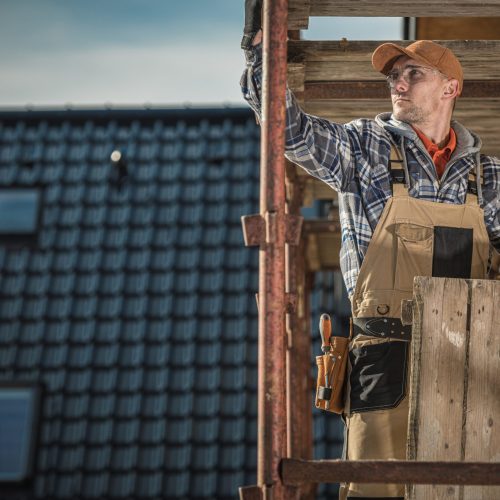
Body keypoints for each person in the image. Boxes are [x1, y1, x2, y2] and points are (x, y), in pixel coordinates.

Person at [240, 2, 500, 499]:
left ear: (451, 88)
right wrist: (259, 54)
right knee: (378, 491)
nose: (397, 84)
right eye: (393, 77)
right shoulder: (364, 147)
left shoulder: (489, 178)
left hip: (473, 361)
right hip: (384, 359)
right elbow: (287, 130)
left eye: (412, 74)